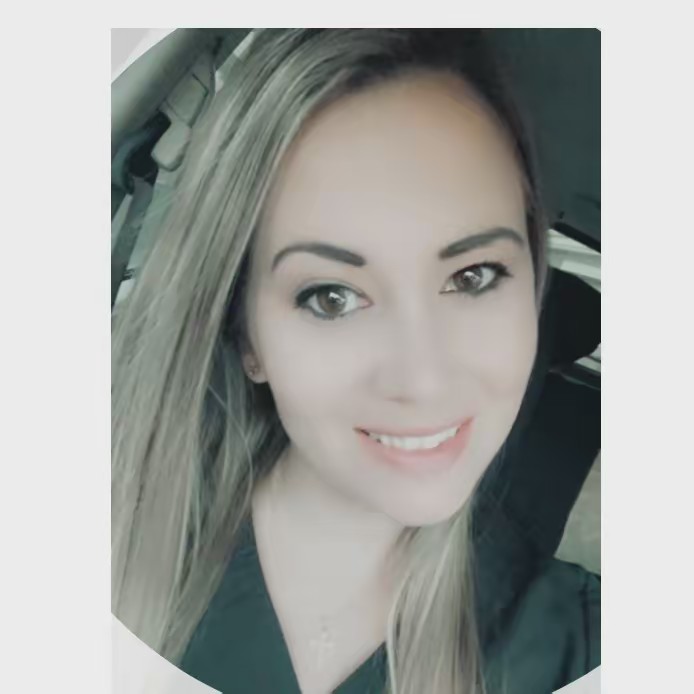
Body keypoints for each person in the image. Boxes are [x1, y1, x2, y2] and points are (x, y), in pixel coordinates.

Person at [112, 29, 600, 694]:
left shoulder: (583, 646)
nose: (423, 379)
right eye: (332, 298)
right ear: (248, 338)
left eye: (474, 277)